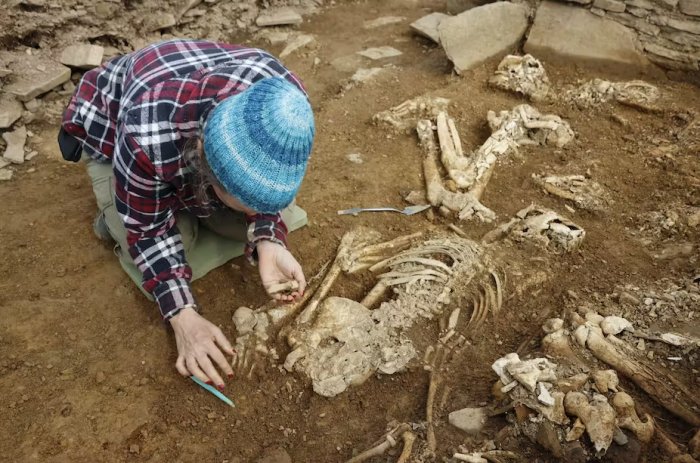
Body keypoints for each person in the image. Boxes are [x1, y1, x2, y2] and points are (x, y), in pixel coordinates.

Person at [58, 39, 315, 391]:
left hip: (188, 119)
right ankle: (114, 211)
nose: (261, 212)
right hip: (112, 124)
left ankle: (185, 206)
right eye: (245, 200)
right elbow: (149, 234)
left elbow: (269, 196)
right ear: (204, 162)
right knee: (163, 240)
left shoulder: (286, 106)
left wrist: (267, 235)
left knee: (255, 223)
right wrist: (184, 317)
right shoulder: (145, 132)